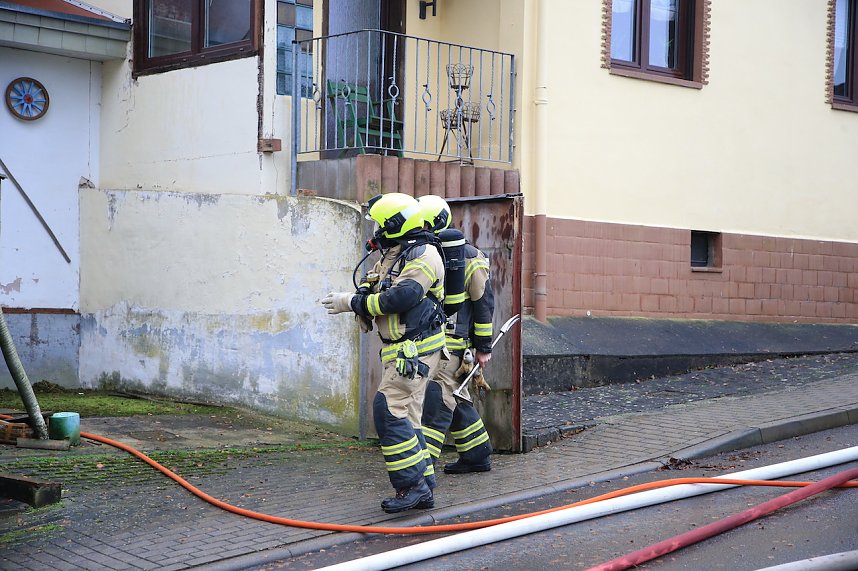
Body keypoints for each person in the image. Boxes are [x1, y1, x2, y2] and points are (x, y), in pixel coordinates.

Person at [321, 192, 446, 513]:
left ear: (395, 224)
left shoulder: (424, 255)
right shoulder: (395, 252)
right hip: (401, 350)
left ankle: (411, 486)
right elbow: (376, 281)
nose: (376, 231)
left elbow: (401, 298)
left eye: (380, 224)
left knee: (388, 409)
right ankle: (424, 486)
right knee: (408, 416)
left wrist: (351, 302)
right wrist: (364, 290)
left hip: (416, 350)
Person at [418, 195, 495, 475]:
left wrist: (483, 347)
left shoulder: (470, 257)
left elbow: (483, 303)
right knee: (457, 398)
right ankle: (477, 454)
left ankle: (422, 464)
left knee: (438, 398)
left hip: (454, 346)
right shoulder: (426, 253)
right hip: (431, 341)